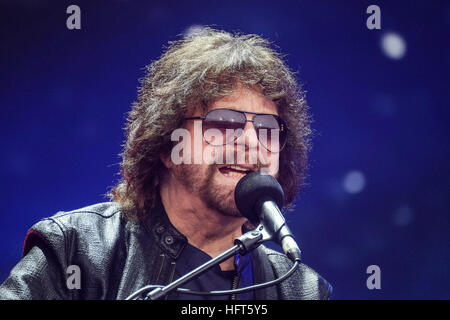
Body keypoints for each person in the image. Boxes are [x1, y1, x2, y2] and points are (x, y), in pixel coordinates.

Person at [0, 28, 332, 300]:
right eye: (224, 124)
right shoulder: (78, 250)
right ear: (167, 144)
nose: (250, 141)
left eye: (267, 129)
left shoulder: (300, 290)